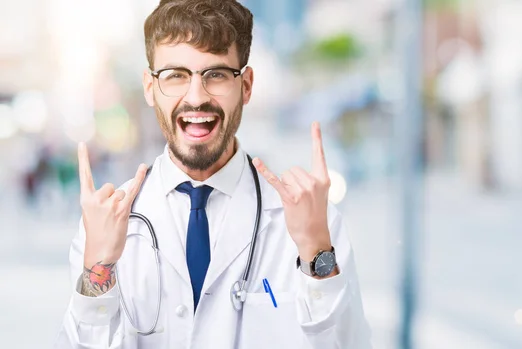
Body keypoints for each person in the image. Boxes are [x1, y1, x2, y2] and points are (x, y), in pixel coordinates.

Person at [54, 0, 371, 348]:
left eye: (216, 74)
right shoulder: (104, 222)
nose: (196, 98)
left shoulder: (313, 222)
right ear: (149, 87)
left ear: (246, 85)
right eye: (175, 75)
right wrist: (99, 266)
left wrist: (315, 252)